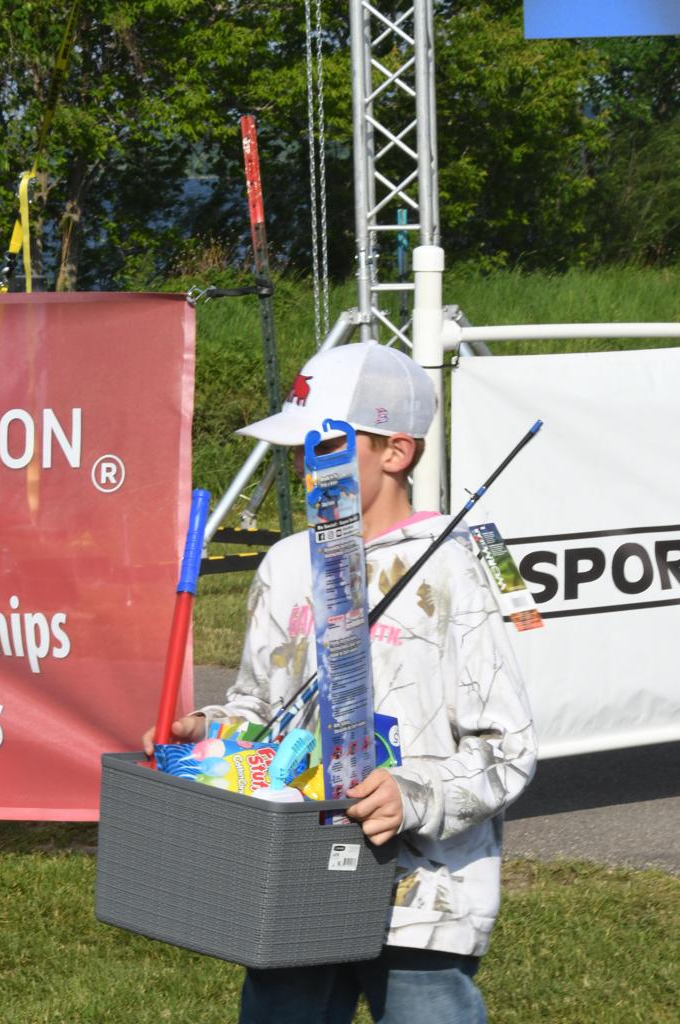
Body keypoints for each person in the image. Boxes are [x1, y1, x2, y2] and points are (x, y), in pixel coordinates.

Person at [143, 341, 537, 1024]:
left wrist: (411, 795)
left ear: (396, 452)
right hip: (292, 878)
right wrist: (210, 732)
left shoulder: (458, 569)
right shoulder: (285, 563)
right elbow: (259, 708)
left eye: (322, 446)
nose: (304, 466)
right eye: (296, 450)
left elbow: (507, 750)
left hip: (421, 900)